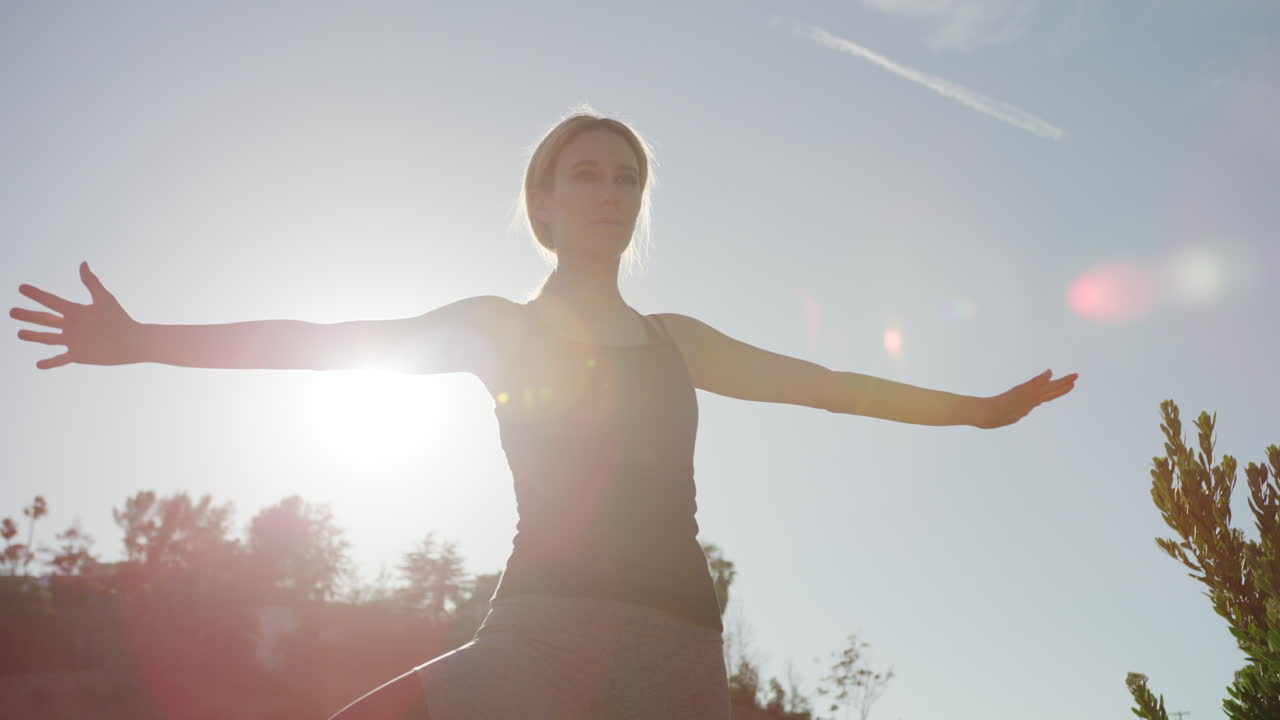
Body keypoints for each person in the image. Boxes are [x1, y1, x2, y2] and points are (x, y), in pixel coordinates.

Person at [9, 110, 1078, 720]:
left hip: (677, 661)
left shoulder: (679, 342)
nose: (611, 191)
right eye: (588, 175)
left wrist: (980, 413)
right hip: (535, 644)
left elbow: (831, 384)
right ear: (544, 204)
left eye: (628, 179)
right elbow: (325, 341)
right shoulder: (499, 329)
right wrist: (143, 339)